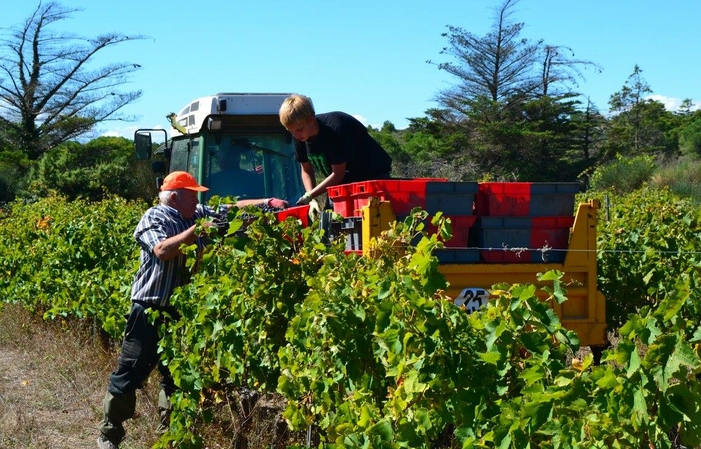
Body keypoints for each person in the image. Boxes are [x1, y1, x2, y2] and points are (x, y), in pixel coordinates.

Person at [97, 171, 231, 449]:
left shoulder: (193, 213)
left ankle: (169, 436)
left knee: (176, 377)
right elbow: (161, 250)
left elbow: (229, 208)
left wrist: (268, 202)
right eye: (192, 194)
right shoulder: (154, 217)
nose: (198, 199)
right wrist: (198, 232)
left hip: (181, 313)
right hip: (149, 308)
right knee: (130, 372)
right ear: (174, 197)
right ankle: (109, 435)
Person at [278, 94, 392, 207]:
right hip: (342, 182)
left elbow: (338, 174)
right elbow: (306, 169)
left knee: (368, 217)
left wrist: (309, 196)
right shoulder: (300, 136)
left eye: (299, 130)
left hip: (372, 177)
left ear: (311, 119)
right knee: (330, 220)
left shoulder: (334, 128)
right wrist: (310, 196)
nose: (296, 136)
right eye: (291, 131)